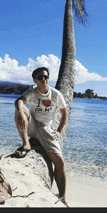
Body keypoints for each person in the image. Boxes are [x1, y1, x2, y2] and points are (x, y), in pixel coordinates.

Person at [14, 67, 68, 202]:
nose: (43, 80)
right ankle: (26, 143)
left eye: (45, 77)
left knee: (59, 161)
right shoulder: (32, 92)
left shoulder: (55, 94)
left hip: (46, 128)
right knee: (19, 109)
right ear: (35, 80)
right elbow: (19, 101)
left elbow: (64, 113)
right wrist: (21, 111)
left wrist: (59, 131)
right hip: (32, 124)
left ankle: (62, 197)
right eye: (40, 77)